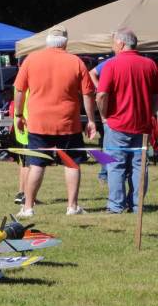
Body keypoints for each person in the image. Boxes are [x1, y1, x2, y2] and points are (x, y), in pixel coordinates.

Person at [13, 25, 97, 218]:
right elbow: (88, 93)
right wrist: (91, 120)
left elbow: (19, 90)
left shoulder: (31, 59)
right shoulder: (76, 62)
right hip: (68, 123)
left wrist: (18, 115)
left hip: (38, 122)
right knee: (72, 164)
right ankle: (72, 206)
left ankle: (27, 208)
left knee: (36, 164)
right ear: (66, 42)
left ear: (47, 42)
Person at [97, 29, 158, 214]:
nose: (112, 47)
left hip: (117, 123)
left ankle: (116, 206)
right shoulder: (150, 65)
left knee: (116, 165)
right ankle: (137, 204)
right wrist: (152, 113)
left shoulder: (111, 65)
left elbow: (101, 95)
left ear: (121, 44)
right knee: (140, 166)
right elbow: (156, 95)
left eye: (113, 43)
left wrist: (104, 116)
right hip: (143, 124)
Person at [89, 58, 113, 185]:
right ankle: (104, 174)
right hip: (107, 113)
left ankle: (104, 174)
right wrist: (100, 88)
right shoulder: (110, 62)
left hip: (109, 112)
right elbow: (92, 73)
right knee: (107, 145)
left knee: (107, 145)